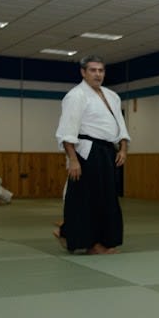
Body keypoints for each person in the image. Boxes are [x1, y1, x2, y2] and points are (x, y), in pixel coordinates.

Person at [55, 55, 130, 255]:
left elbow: (121, 126)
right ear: (83, 72)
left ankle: (104, 239)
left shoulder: (112, 96)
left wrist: (122, 148)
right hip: (87, 152)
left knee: (107, 199)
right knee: (86, 200)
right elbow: (67, 130)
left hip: (107, 151)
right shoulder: (76, 95)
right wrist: (73, 159)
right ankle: (90, 243)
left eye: (101, 70)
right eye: (93, 70)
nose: (98, 74)